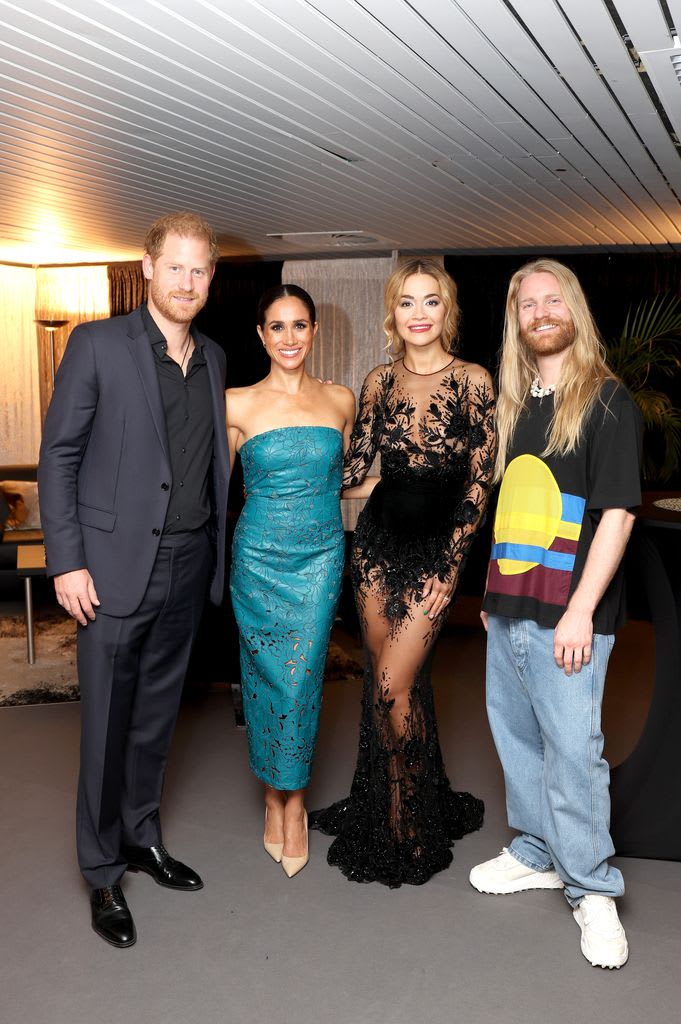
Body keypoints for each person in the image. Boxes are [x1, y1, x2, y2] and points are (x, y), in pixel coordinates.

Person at [38, 211, 229, 948]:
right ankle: (100, 871)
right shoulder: (96, 345)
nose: (187, 281)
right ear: (147, 267)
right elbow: (59, 456)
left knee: (155, 720)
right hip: (110, 572)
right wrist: (66, 560)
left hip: (186, 566)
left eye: (200, 269)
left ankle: (142, 837)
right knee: (106, 726)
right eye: (175, 266)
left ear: (211, 277)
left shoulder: (211, 356)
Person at [470, 259, 642, 970]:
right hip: (508, 606)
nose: (539, 313)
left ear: (572, 308)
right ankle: (539, 851)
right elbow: (515, 509)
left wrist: (579, 610)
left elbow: (617, 516)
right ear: (515, 321)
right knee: (517, 739)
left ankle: (592, 887)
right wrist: (489, 596)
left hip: (567, 615)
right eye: (525, 305)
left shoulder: (604, 400)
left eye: (551, 300)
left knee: (573, 751)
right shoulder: (517, 404)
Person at [310, 258, 496, 887]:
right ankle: (392, 799)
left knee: (394, 683)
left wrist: (451, 566)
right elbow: (359, 469)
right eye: (407, 303)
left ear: (448, 311)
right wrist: (300, 464)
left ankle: (408, 816)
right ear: (392, 314)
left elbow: (478, 484)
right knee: (386, 683)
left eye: (431, 302)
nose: (419, 314)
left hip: (435, 554)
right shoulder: (377, 381)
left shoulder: (474, 381)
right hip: (377, 546)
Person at [226, 284, 356, 878]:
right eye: (276, 327)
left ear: (314, 331)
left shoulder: (340, 400)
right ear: (260, 335)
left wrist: (402, 487)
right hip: (257, 559)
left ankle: (293, 801)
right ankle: (272, 796)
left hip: (321, 555)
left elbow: (340, 481)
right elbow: (210, 488)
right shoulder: (235, 404)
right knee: (264, 678)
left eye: (299, 325)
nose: (289, 338)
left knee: (302, 678)